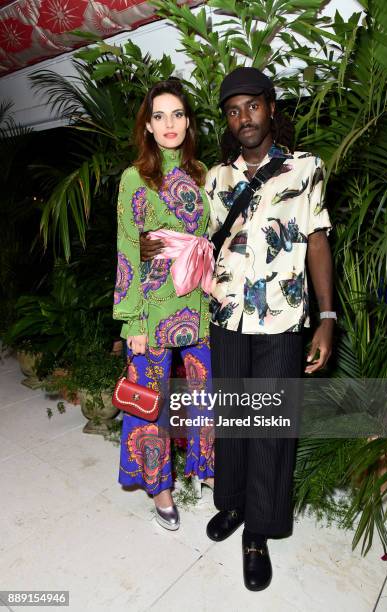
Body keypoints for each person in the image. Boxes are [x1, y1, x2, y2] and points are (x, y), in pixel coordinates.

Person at [140, 67, 334, 590]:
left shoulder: (305, 169)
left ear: (271, 108)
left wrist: (328, 317)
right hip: (226, 317)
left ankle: (260, 533)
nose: (243, 117)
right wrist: (148, 247)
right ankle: (233, 505)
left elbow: (317, 240)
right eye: (233, 110)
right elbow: (195, 240)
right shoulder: (217, 178)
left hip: (282, 318)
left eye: (252, 105)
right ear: (226, 120)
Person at [113, 79, 214, 532]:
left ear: (188, 122)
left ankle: (208, 471)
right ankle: (161, 489)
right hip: (152, 309)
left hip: (199, 304)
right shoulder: (135, 177)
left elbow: (211, 239)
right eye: (159, 116)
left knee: (206, 396)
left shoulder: (203, 174)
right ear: (148, 126)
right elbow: (126, 248)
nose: (169, 124)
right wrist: (131, 318)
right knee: (149, 405)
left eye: (177, 114)